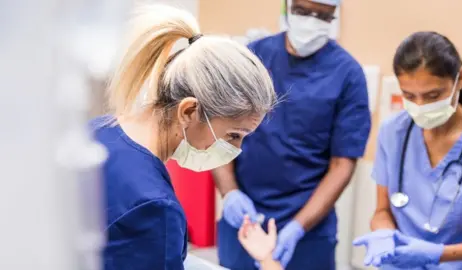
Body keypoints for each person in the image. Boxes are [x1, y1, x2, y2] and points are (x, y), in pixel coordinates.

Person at [90, 4, 276, 270]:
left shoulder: (99, 131)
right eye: (233, 135)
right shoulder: (154, 207)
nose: (236, 149)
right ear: (189, 111)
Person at [213, 0, 371, 269]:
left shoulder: (348, 74)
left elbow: (342, 165)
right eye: (301, 10)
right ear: (286, 7)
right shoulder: (254, 57)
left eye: (321, 15)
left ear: (335, 15)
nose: (310, 20)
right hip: (244, 223)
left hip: (308, 232)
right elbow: (220, 133)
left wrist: (298, 227)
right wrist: (230, 194)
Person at [353, 31, 462, 269]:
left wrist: (438, 253)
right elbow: (382, 211)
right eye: (409, 96)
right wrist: (383, 235)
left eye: (433, 95)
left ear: (460, 78)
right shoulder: (393, 131)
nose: (420, 106)